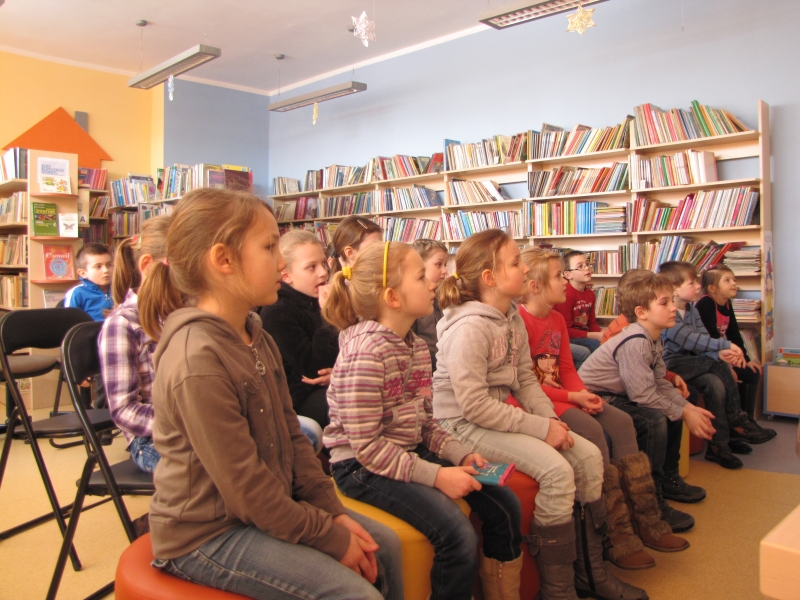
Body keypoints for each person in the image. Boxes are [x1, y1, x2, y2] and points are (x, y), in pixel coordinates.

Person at [138, 189, 403, 600]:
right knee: (356, 594)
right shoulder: (197, 359)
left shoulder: (255, 335)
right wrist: (328, 536)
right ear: (224, 260)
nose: (281, 263)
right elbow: (246, 489)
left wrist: (330, 510)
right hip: (207, 534)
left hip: (263, 507)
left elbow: (293, 438)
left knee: (385, 547)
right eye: (268, 247)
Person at [432, 229, 647, 600]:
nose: (525, 270)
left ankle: (590, 572)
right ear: (489, 278)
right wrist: (538, 429)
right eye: (516, 263)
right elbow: (474, 406)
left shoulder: (510, 316)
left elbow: (525, 381)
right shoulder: (469, 327)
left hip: (494, 413)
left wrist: (551, 421)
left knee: (589, 457)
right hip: (460, 423)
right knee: (557, 473)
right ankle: (557, 590)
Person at [323, 240, 523, 600]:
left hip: (405, 450)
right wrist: (437, 476)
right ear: (392, 297)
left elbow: (426, 422)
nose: (434, 282)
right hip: (360, 466)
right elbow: (368, 447)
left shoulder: (415, 346)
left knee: (504, 504)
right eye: (420, 277)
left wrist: (460, 454)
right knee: (457, 535)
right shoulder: (364, 354)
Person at [519, 249, 689, 569]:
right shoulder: (520, 321)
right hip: (544, 401)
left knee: (623, 422)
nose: (565, 281)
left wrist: (584, 393)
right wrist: (573, 398)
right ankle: (614, 532)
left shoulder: (556, 319)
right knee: (596, 432)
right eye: (558, 276)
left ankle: (646, 519)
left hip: (567, 393)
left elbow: (567, 368)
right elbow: (526, 383)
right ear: (535, 285)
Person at [578, 271, 716, 534]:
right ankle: (650, 501)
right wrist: (682, 412)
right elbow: (643, 395)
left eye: (672, 301)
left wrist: (687, 408)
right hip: (596, 397)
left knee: (673, 411)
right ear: (641, 312)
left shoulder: (653, 336)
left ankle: (667, 481)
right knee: (654, 419)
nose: (674, 308)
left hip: (623, 394)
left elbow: (659, 382)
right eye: (664, 303)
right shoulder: (635, 341)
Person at [658, 261, 771, 470]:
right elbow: (690, 340)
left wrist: (720, 354)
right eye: (692, 283)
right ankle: (737, 418)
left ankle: (719, 446)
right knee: (718, 365)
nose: (698, 286)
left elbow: (703, 339)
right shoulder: (668, 312)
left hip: (694, 363)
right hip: (673, 365)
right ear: (674, 289)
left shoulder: (692, 310)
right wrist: (723, 348)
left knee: (715, 384)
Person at [98, 217, 169, 473]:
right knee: (224, 474)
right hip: (150, 438)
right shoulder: (123, 323)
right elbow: (124, 410)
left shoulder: (181, 312)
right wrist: (186, 424)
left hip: (194, 428)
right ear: (148, 266)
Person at [260, 230, 339, 429]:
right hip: (300, 400)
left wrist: (341, 373)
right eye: (311, 267)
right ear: (286, 276)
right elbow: (315, 369)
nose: (323, 272)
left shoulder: (317, 298)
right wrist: (329, 314)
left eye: (323, 263)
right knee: (355, 401)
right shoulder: (278, 311)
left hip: (333, 384)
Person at [697, 265, 777, 442]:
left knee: (752, 372)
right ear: (712, 288)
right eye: (727, 280)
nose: (734, 283)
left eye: (734, 279)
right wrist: (726, 367)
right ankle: (736, 425)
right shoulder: (705, 304)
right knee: (729, 378)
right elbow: (710, 340)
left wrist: (746, 360)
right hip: (709, 358)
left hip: (724, 355)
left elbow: (734, 334)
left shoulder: (726, 303)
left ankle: (747, 421)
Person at [553, 251, 605, 365]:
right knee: (596, 346)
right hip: (568, 337)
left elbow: (591, 324)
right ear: (568, 275)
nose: (587, 268)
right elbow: (565, 330)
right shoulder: (565, 294)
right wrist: (595, 336)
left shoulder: (590, 294)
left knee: (609, 342)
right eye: (580, 266)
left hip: (584, 335)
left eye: (587, 264)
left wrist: (605, 333)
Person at [410, 238, 448, 372]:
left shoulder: (443, 295)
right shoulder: (413, 301)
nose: (445, 271)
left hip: (443, 364)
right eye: (439, 264)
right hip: (424, 368)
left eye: (445, 265)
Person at [65, 242, 114, 321]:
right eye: (98, 266)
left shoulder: (120, 290)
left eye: (109, 265)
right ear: (83, 273)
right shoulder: (77, 293)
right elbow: (69, 323)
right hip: (91, 329)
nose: (106, 270)